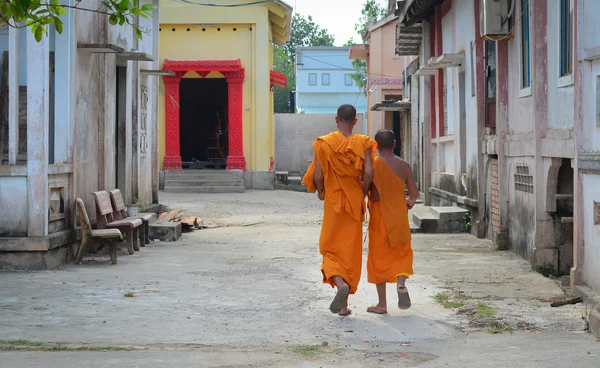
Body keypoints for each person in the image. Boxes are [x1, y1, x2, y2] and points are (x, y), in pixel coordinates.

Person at [302, 104, 376, 316]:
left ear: (336, 120)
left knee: (330, 248)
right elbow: (369, 171)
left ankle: (340, 285)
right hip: (354, 201)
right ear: (355, 121)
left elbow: (317, 176)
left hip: (334, 202)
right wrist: (363, 189)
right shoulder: (364, 143)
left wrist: (322, 191)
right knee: (349, 252)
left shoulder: (324, 143)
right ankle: (344, 304)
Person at [365, 129, 419, 314]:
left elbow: (365, 190)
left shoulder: (372, 165)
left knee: (378, 258)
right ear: (395, 143)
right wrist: (409, 202)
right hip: (399, 215)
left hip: (379, 217)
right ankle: (401, 284)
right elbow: (414, 193)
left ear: (376, 146)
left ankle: (382, 304)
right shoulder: (403, 165)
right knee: (402, 253)